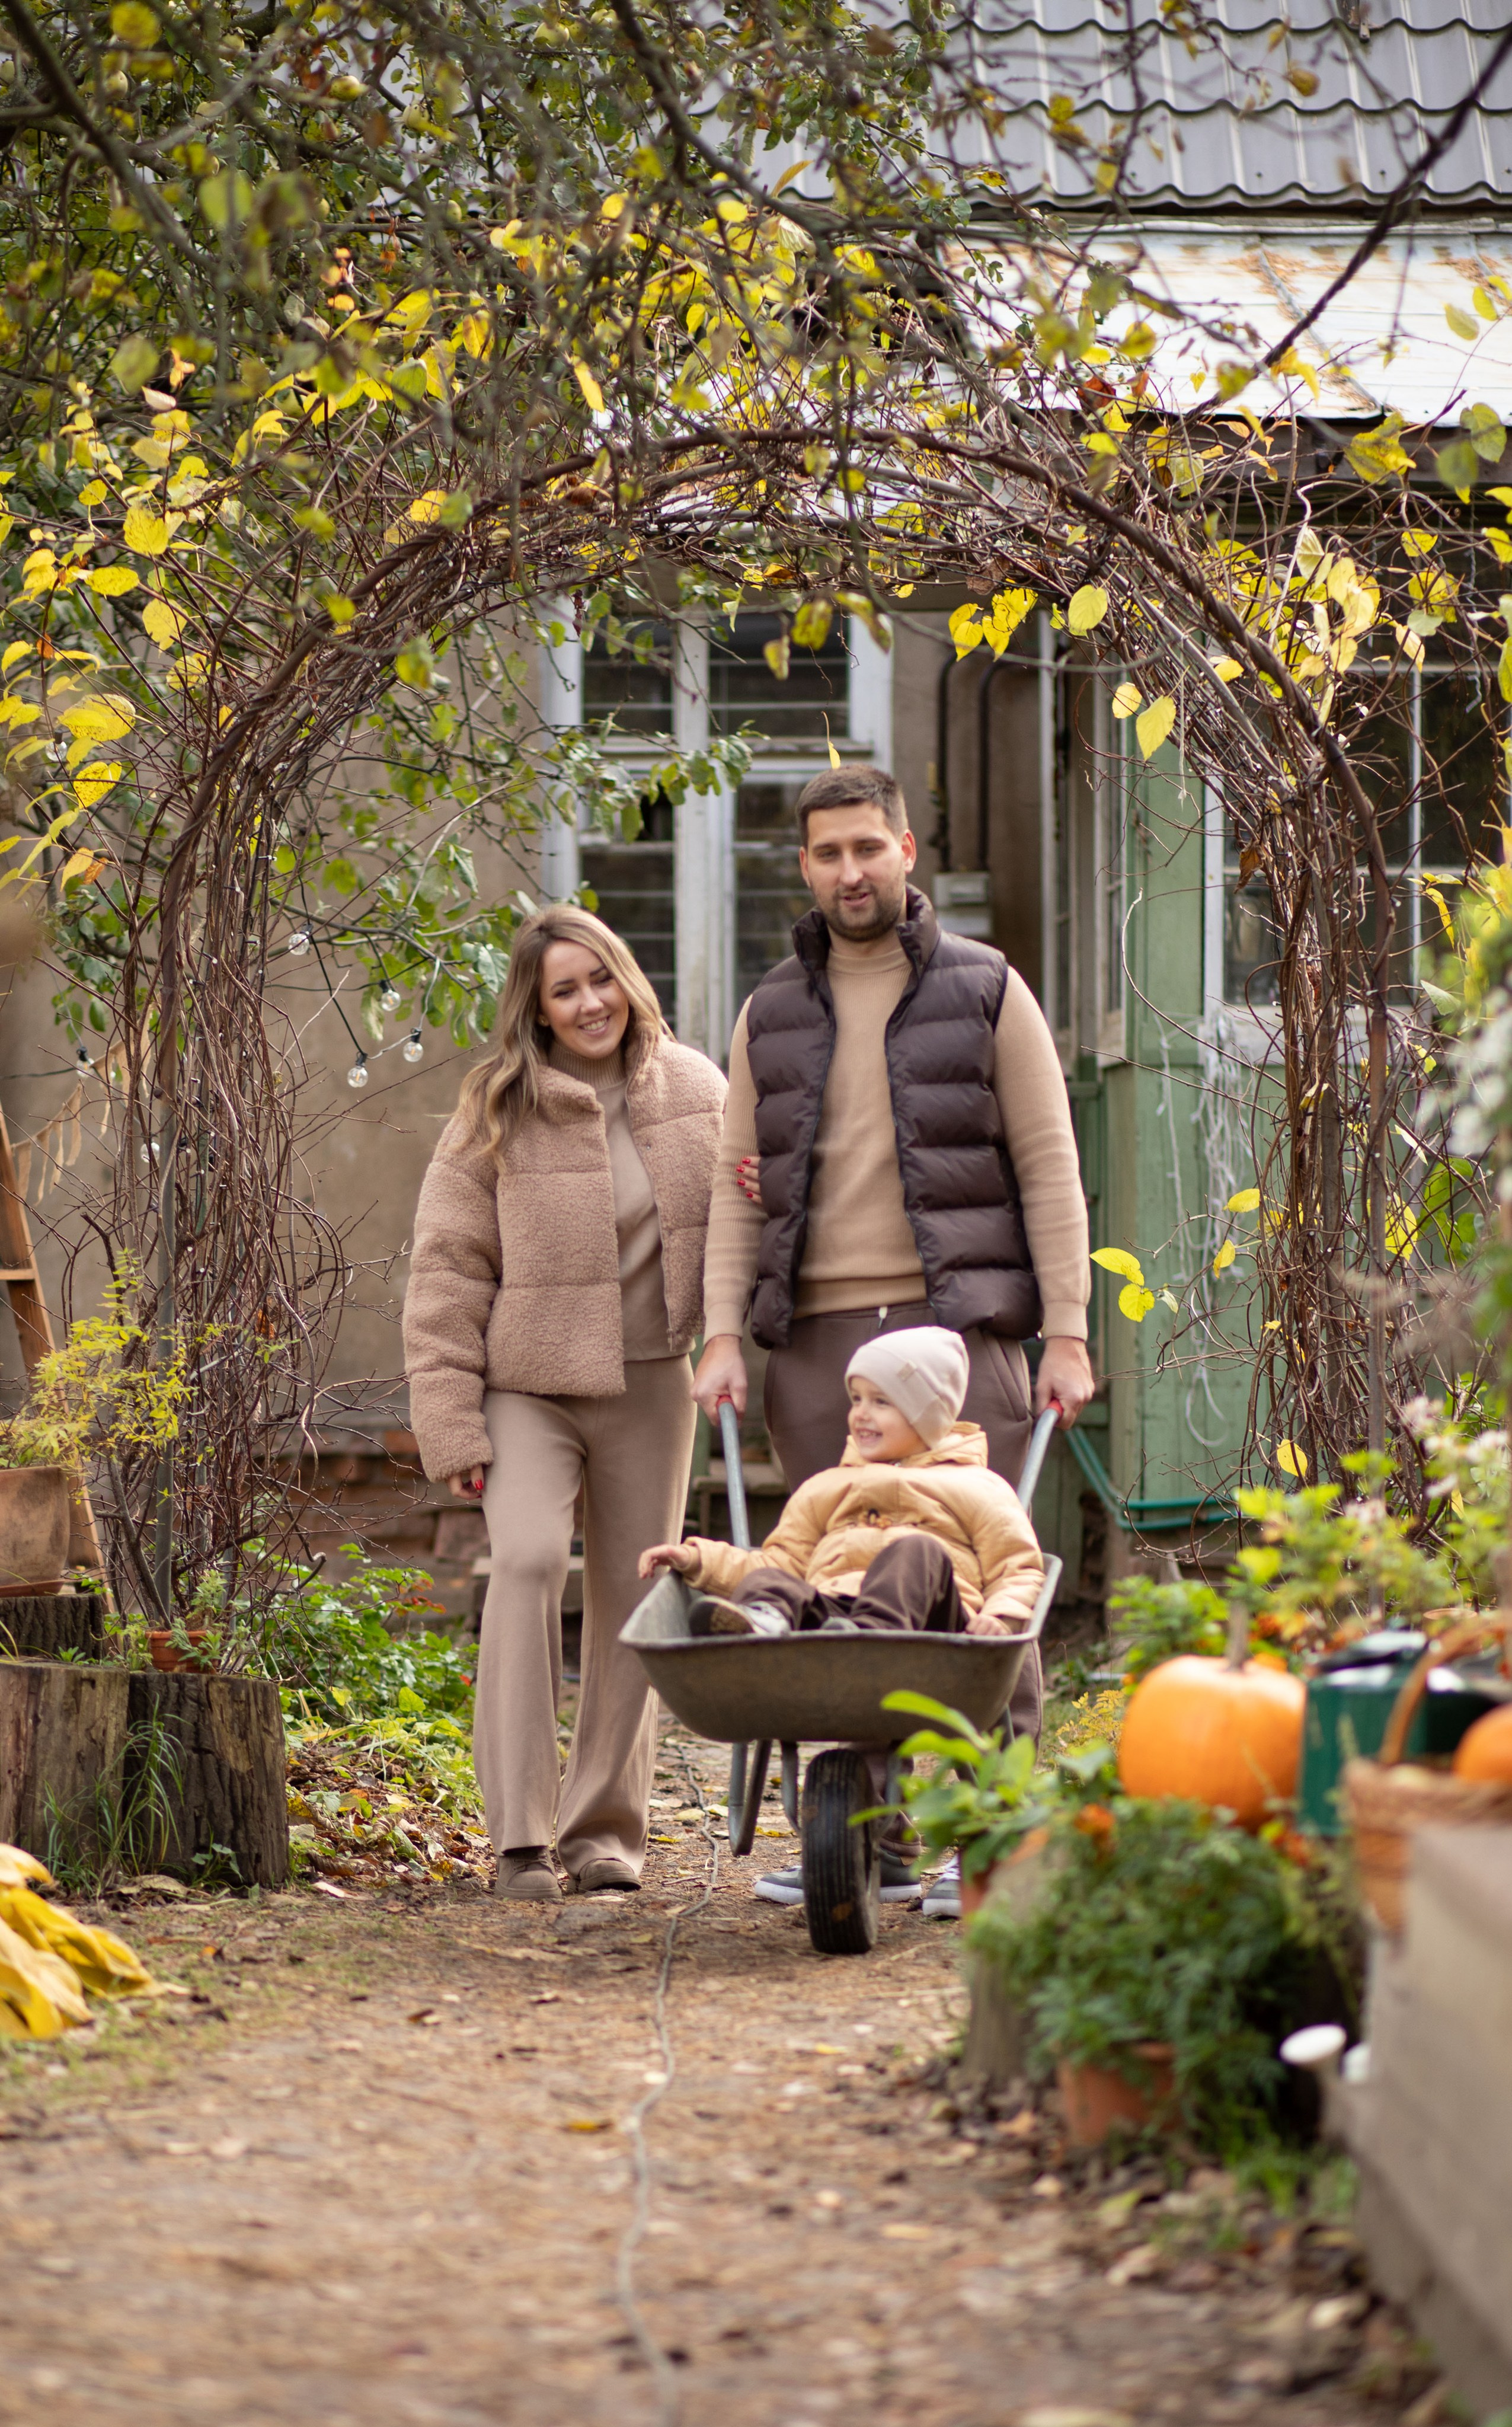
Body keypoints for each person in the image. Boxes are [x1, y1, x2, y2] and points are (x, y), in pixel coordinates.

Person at [693, 762, 1092, 1749]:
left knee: (982, 1585)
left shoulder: (987, 986)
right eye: (828, 854)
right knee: (836, 1587)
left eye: (868, 847)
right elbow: (733, 1186)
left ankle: (995, 1829)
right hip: (818, 1351)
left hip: (956, 1340)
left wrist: (1069, 1333)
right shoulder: (769, 1013)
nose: (850, 871)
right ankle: (868, 1837)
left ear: (906, 851)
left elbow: (1048, 1168)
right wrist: (720, 1338)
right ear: (805, 868)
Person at [402, 905, 726, 1901]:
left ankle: (603, 1834)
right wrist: (451, 1420)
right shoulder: (495, 1110)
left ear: (628, 979)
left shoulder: (698, 1090)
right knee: (534, 1562)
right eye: (565, 990)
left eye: (603, 979)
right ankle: (518, 1838)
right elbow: (446, 1273)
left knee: (637, 1595)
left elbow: (743, 1222)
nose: (591, 1002)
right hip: (527, 1391)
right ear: (537, 1013)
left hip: (650, 1387)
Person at [639, 1327, 1044, 1641]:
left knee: (916, 1552)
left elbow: (1017, 1568)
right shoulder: (826, 1487)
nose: (861, 1415)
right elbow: (781, 1563)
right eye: (856, 1399)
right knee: (770, 1580)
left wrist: (998, 1617)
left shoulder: (977, 1487)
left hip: (931, 1631)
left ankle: (868, 1640)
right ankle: (765, 1624)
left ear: (929, 1416)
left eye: (881, 1402)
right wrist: (696, 1559)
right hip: (831, 1619)